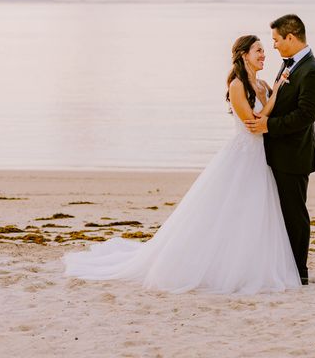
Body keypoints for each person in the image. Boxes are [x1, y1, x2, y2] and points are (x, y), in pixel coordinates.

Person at [62, 35, 301, 294]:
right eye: (258, 51)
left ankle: (250, 264)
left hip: (260, 159)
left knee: (254, 212)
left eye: (264, 51)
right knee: (227, 210)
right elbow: (253, 125)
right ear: (244, 55)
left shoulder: (263, 85)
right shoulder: (237, 85)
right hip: (242, 156)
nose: (264, 55)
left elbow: (267, 120)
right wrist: (277, 94)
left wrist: (275, 93)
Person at [245, 14, 315, 285]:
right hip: (277, 152)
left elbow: (305, 116)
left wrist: (269, 125)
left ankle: (299, 271)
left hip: (295, 155)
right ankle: (284, 266)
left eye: (277, 40)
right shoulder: (289, 64)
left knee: (294, 214)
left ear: (291, 38)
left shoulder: (313, 72)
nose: (275, 46)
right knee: (279, 212)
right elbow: (282, 100)